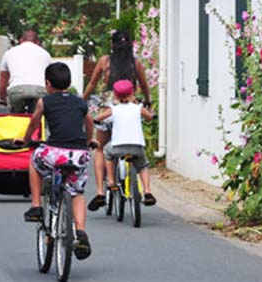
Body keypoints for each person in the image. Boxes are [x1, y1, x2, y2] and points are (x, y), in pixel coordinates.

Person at [15, 62, 97, 260]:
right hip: (77, 154)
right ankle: (81, 231)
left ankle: (36, 205)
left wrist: (25, 140)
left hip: (54, 152)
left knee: (34, 161)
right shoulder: (80, 102)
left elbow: (34, 121)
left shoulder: (45, 102)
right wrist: (88, 141)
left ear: (48, 84)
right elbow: (89, 123)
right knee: (76, 192)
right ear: (69, 83)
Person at [83, 31, 151, 209]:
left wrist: (82, 99)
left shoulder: (105, 61)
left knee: (99, 148)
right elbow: (144, 85)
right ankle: (145, 188)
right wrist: (148, 101)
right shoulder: (135, 63)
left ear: (112, 45)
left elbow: (92, 83)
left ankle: (99, 191)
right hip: (131, 102)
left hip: (108, 106)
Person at [94, 80, 157, 208]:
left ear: (115, 96)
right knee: (143, 165)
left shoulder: (113, 109)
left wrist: (98, 121)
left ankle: (111, 181)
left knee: (106, 152)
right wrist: (152, 115)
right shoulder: (139, 108)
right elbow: (149, 117)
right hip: (137, 147)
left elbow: (98, 118)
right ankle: (147, 190)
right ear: (132, 93)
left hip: (118, 147)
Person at [0, 30, 52, 113]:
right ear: (37, 42)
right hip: (40, 90)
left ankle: (17, 121)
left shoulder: (9, 53)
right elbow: (50, 79)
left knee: (17, 118)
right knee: (38, 117)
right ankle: (38, 123)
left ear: (21, 40)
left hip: (16, 90)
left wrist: (2, 98)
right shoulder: (46, 54)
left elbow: (3, 80)